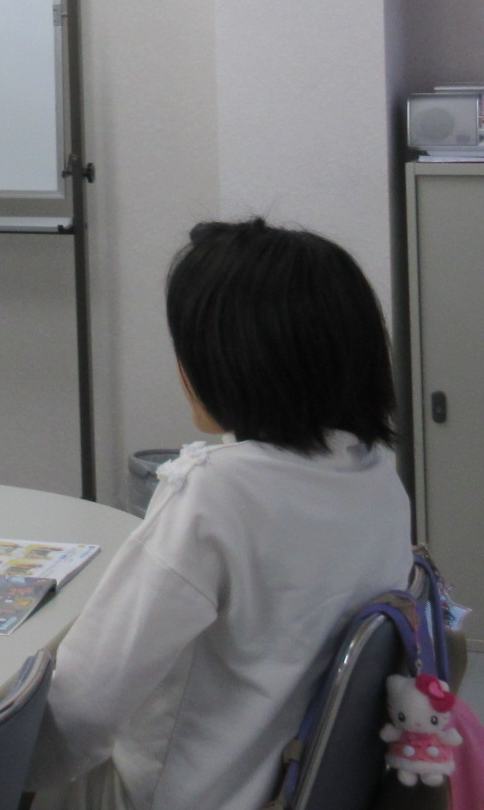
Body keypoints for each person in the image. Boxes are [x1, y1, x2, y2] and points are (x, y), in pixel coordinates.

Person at [26, 218, 413, 810]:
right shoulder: (377, 477)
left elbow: (80, 709)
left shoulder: (215, 493)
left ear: (230, 363)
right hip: (292, 788)